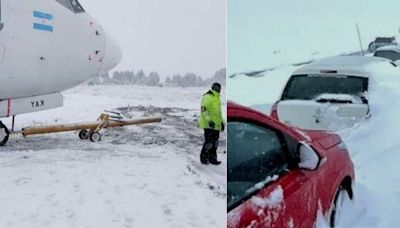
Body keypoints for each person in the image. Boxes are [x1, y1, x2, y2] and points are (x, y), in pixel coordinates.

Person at [198, 83, 224, 165]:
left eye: (220, 88)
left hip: (216, 125)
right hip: (208, 124)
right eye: (218, 88)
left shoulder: (217, 98)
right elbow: (203, 110)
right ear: (215, 88)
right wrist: (209, 121)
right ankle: (204, 158)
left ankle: (212, 159)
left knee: (215, 143)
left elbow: (219, 113)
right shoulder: (207, 97)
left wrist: (222, 122)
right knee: (209, 142)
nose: (220, 89)